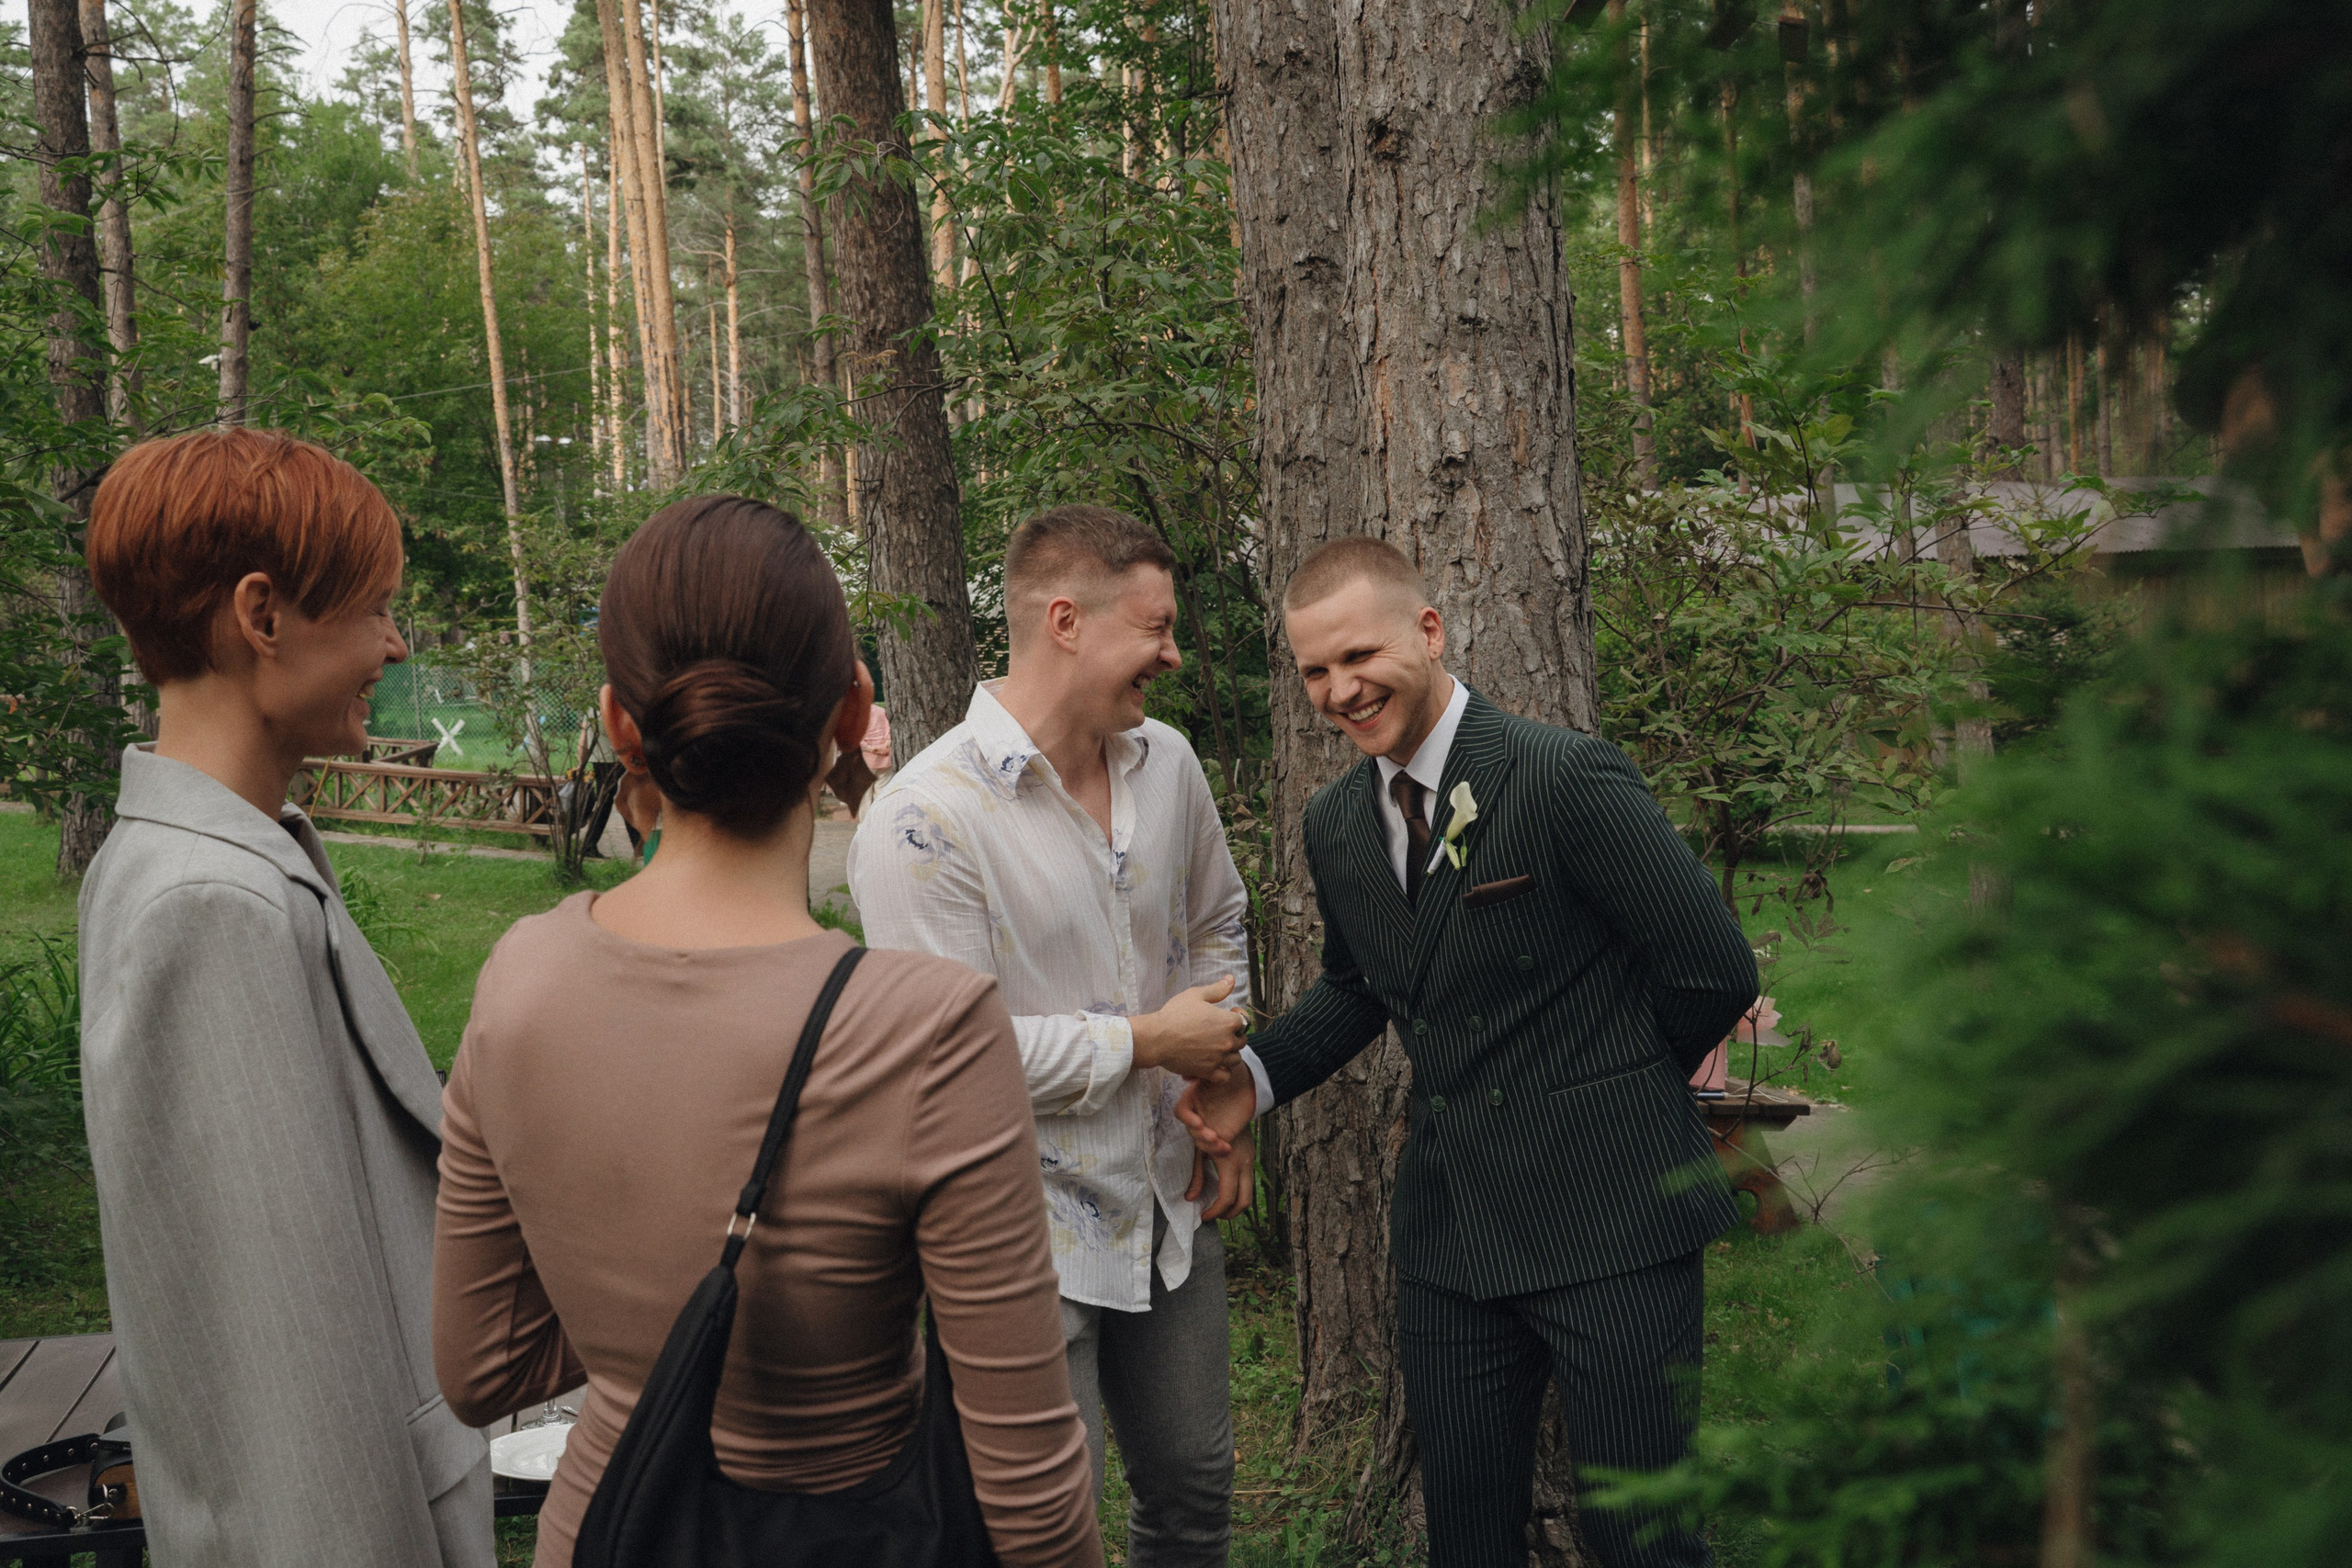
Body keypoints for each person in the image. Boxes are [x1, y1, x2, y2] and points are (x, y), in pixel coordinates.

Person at [432, 495, 1100, 1568]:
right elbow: (1027, 1500)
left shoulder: (520, 977)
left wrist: (638, 1324)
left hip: (608, 1527)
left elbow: (482, 1373)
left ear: (619, 725)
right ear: (851, 710)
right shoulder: (926, 1031)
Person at [1178, 537, 1758, 1568]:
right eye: (1315, 670)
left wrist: (1605, 1087)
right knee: (1467, 1537)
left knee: (1641, 1538)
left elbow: (1713, 970)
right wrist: (1251, 1081)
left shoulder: (1561, 776)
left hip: (1616, 1214)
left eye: (1361, 655)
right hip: (1454, 1237)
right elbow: (1359, 986)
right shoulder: (1336, 823)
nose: (1341, 690)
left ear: (1430, 630)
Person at [76, 427, 493, 1568]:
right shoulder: (209, 904)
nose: (394, 645)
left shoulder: (217, 855)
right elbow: (285, 1367)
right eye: (374, 609)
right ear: (262, 616)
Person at [848, 504, 1255, 1568]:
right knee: (1040, 1533)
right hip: (1018, 1240)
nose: (1174, 655)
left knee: (1194, 1491)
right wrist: (1148, 1042)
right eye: (1156, 629)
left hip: (1168, 1206)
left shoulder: (1168, 765)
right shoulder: (922, 822)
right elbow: (948, 1059)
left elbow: (1218, 923)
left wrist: (1221, 1080)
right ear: (1066, 622)